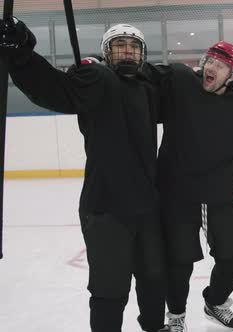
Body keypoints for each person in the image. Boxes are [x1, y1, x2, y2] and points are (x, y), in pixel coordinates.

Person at [0, 18, 169, 332]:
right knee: (110, 289)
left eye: (134, 47)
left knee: (155, 279)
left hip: (147, 206)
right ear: (107, 53)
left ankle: (155, 326)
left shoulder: (148, 87)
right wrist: (21, 52)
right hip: (106, 208)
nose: (128, 52)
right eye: (120, 46)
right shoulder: (98, 80)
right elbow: (51, 88)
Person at [156, 41, 233, 331]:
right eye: (210, 61)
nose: (211, 68)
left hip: (218, 197)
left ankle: (214, 302)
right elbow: (141, 85)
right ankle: (176, 316)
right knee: (178, 263)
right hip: (176, 196)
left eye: (221, 65)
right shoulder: (181, 85)